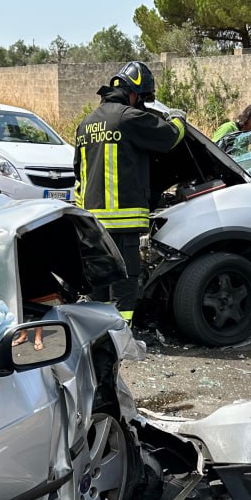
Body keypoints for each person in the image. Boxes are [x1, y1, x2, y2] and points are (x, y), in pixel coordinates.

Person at [73, 61, 185, 324]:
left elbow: (78, 171)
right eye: (142, 98)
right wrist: (179, 118)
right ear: (133, 93)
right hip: (121, 223)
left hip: (91, 225)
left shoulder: (86, 124)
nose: (141, 104)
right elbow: (169, 137)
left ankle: (98, 332)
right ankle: (122, 332)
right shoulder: (128, 117)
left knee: (99, 283)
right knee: (125, 281)